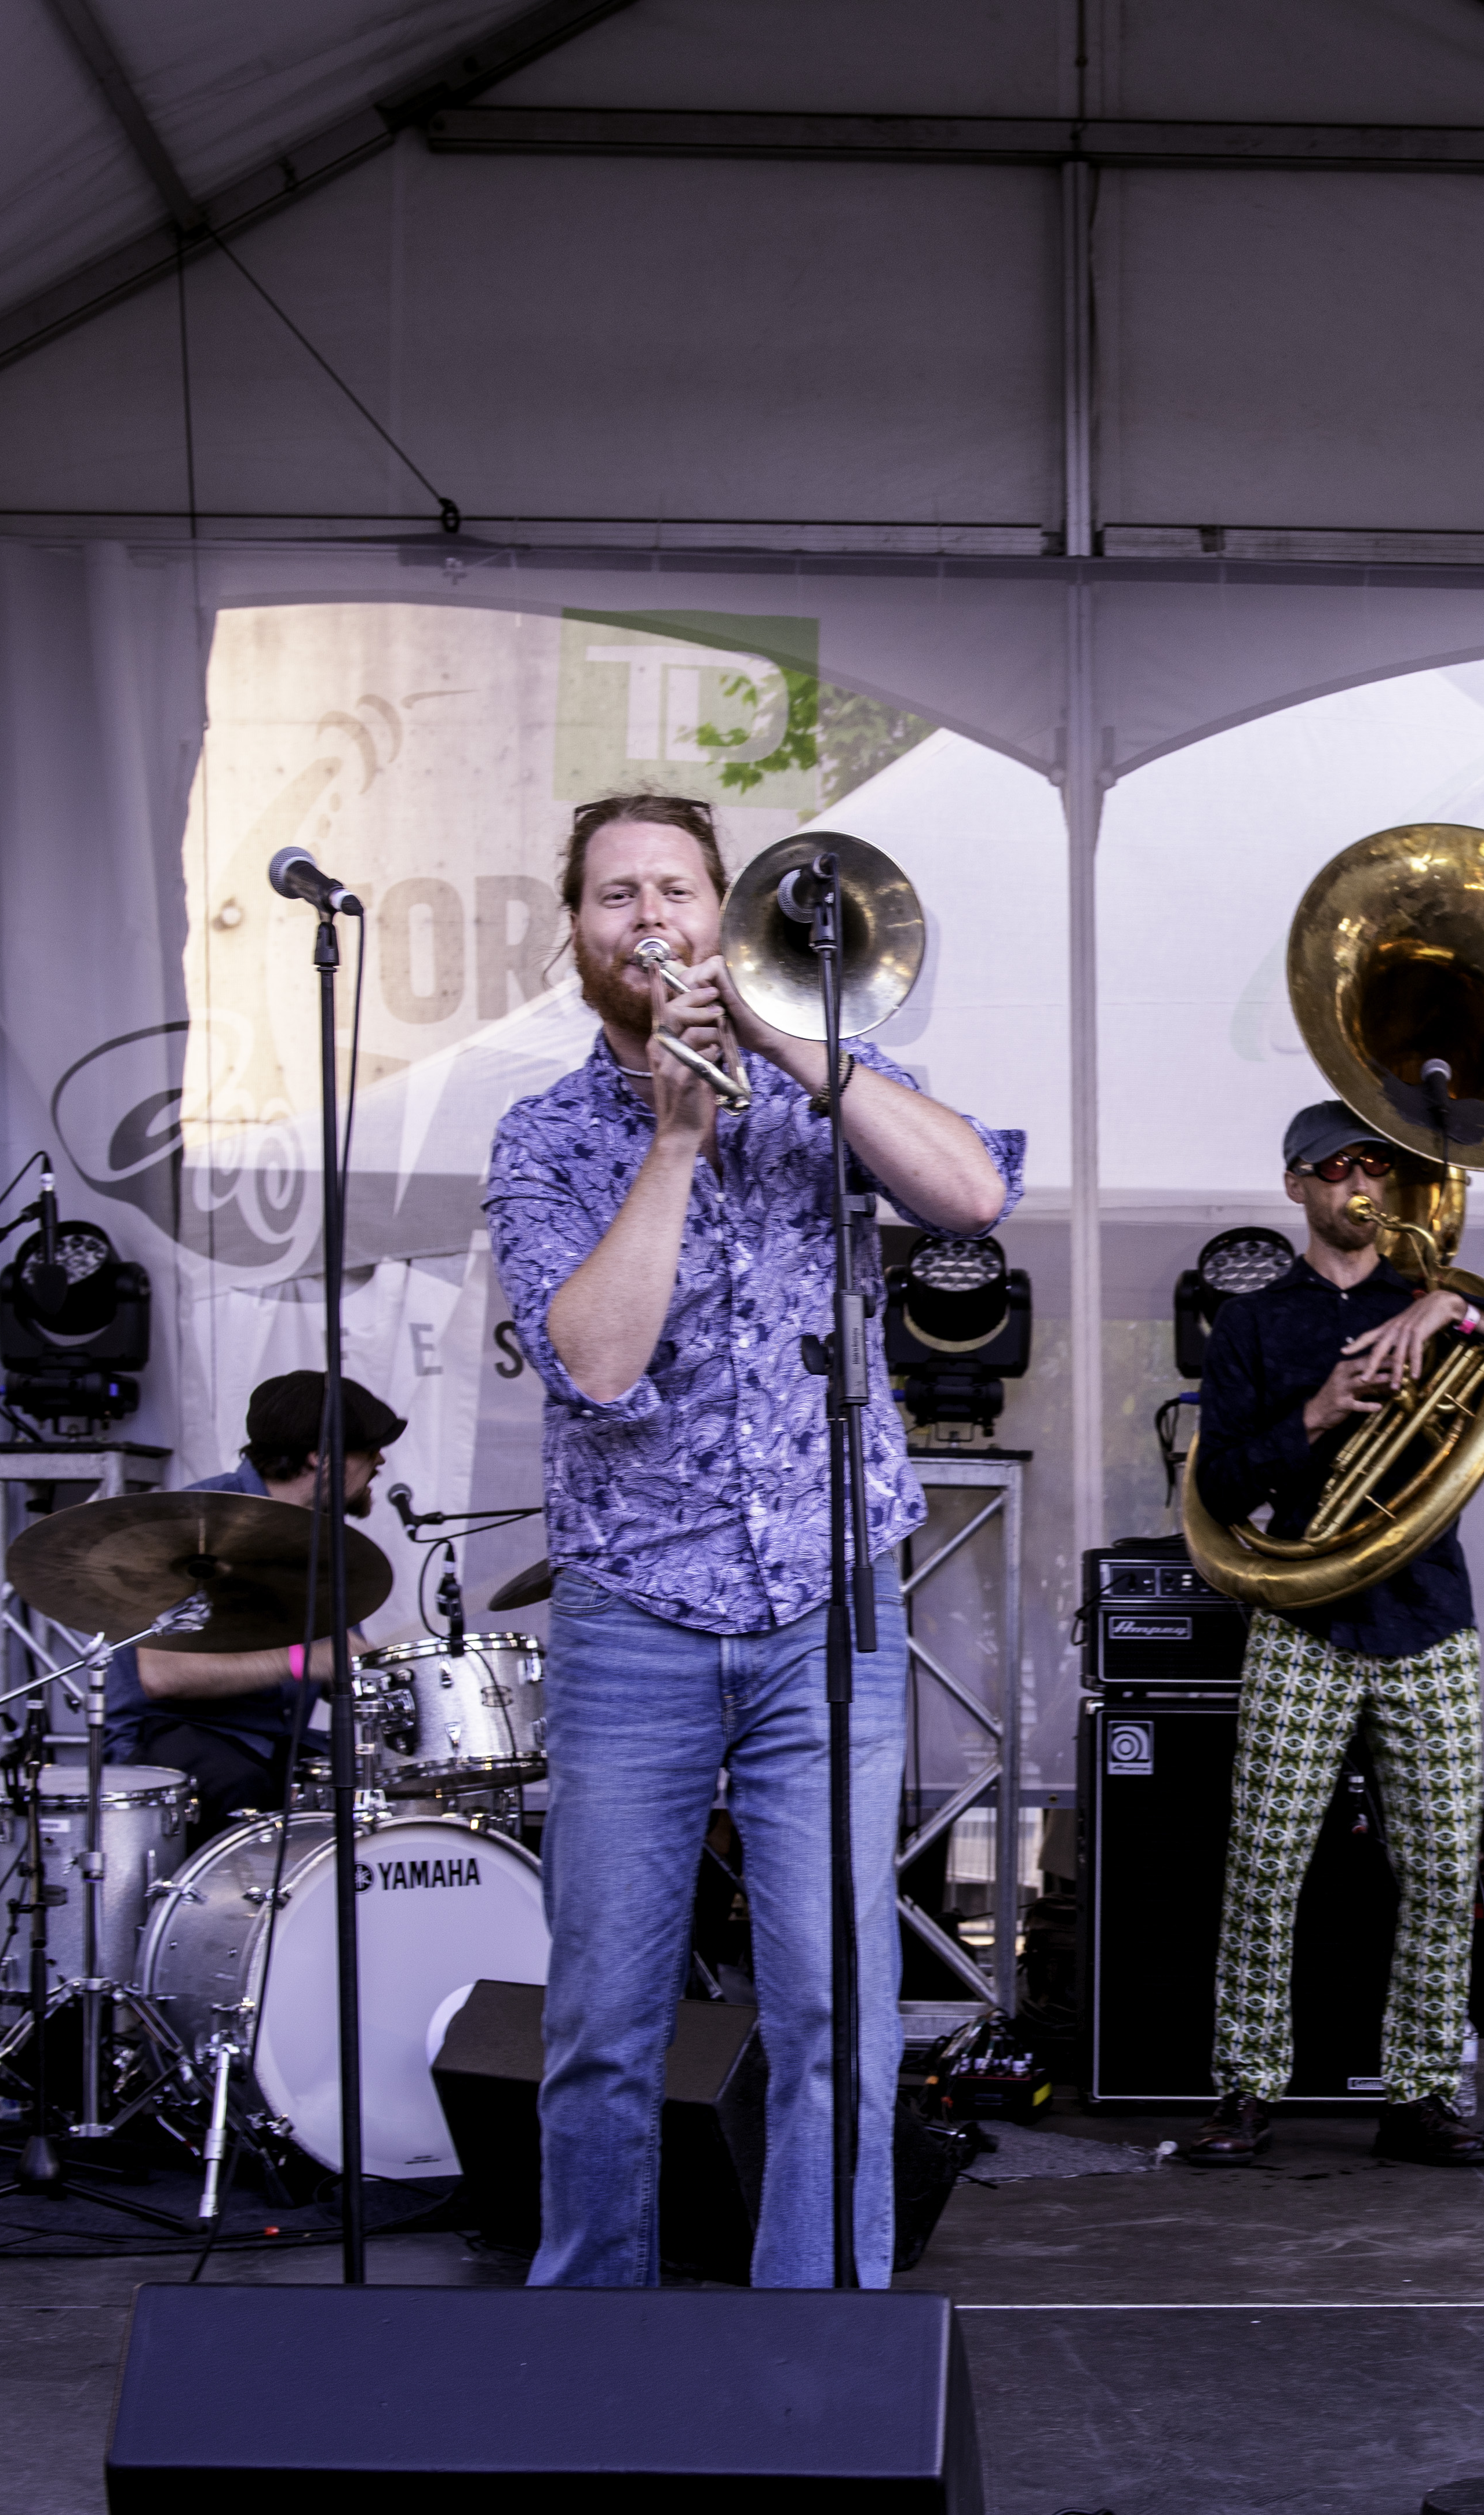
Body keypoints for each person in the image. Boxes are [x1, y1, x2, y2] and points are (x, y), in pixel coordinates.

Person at [484, 791, 1019, 2289]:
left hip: (822, 1611)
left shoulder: (823, 1084)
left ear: (723, 916)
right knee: (602, 2016)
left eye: (672, 890)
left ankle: (818, 2344)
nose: (645, 916)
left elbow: (970, 1195)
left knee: (833, 2007)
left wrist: (789, 1041)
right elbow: (595, 1363)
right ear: (577, 935)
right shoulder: (542, 1138)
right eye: (612, 897)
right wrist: (671, 1144)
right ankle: (586, 2331)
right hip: (631, 1616)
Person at [1181, 1101, 1484, 2168]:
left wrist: (1456, 1313)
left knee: (1444, 1871)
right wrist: (1319, 1409)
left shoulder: (1437, 1298)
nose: (1358, 1183)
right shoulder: (1255, 1324)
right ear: (1295, 1186)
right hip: (1301, 1619)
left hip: (1429, 1621)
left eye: (1372, 1166)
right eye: (1334, 1168)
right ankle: (1244, 2089)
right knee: (1264, 1865)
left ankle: (1418, 2092)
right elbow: (1217, 1484)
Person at [102, 1368, 401, 1840]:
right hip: (170, 1738)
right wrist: (305, 1659)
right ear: (322, 1458)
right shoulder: (191, 1524)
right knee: (244, 1785)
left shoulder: (330, 1546)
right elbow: (162, 1674)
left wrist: (405, 1675)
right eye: (368, 1450)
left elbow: (338, 1669)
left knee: (377, 1789)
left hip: (274, 1744)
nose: (380, 1461)